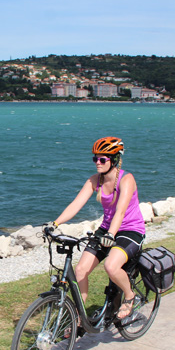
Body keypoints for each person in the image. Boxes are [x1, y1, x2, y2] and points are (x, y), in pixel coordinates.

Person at [49, 136, 145, 321]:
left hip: (130, 229)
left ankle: (130, 295)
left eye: (102, 159)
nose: (97, 163)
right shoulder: (95, 180)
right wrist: (54, 224)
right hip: (107, 229)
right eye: (95, 158)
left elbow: (120, 211)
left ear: (115, 160)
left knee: (111, 266)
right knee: (80, 270)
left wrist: (111, 234)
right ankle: (79, 315)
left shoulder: (127, 179)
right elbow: (76, 205)